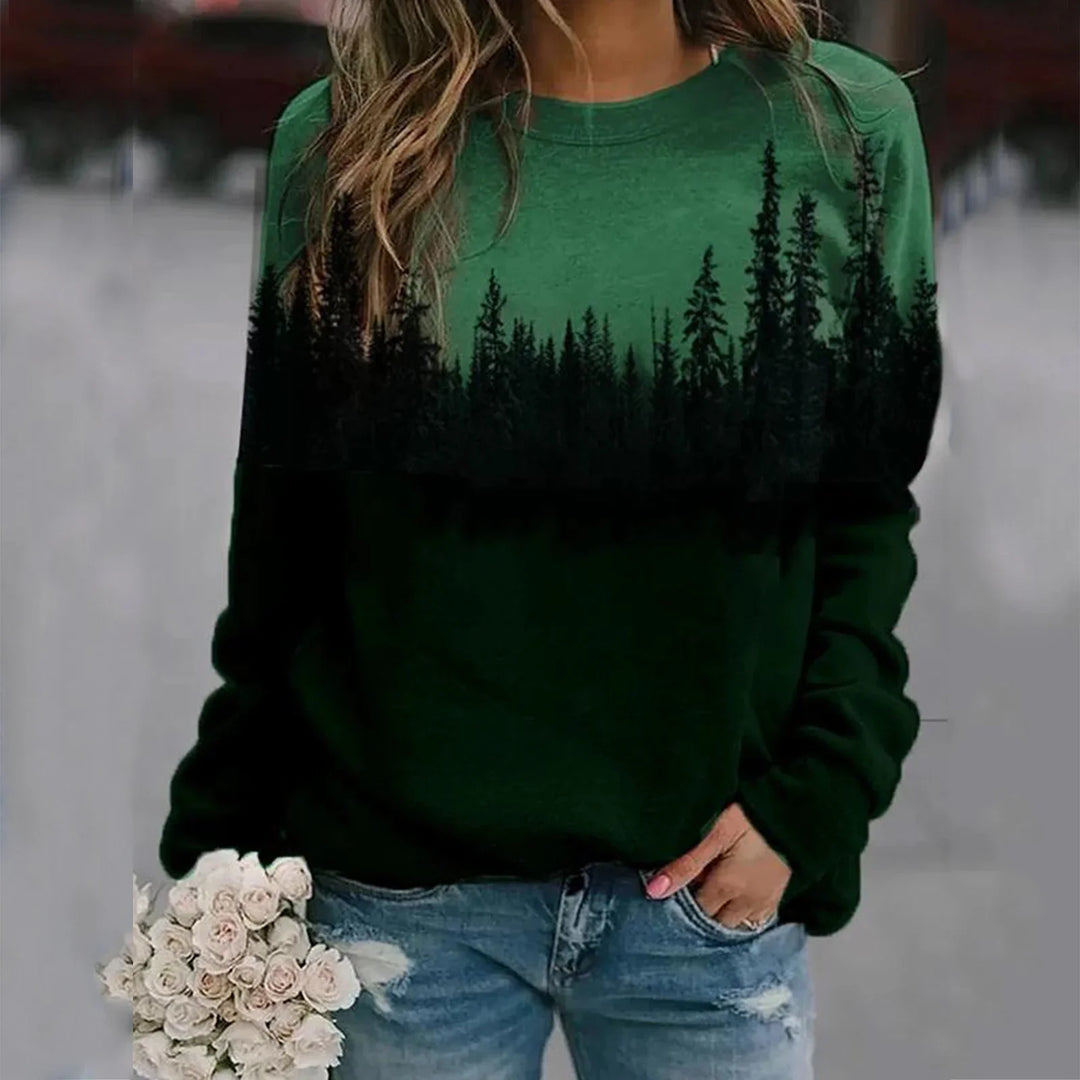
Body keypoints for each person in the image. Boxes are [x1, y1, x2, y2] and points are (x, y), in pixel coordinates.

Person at [158, 0, 943, 1075]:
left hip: (703, 916)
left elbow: (864, 511)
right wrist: (227, 877)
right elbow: (285, 546)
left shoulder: (844, 129)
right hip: (400, 913)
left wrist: (814, 803)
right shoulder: (344, 142)